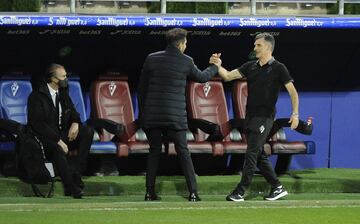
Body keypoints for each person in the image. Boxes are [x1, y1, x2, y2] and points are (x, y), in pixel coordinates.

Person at [138, 28, 221, 202]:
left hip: (152, 116)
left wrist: (144, 115)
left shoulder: (151, 58)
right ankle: (193, 193)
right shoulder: (186, 61)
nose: (186, 46)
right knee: (183, 152)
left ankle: (149, 193)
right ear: (181, 44)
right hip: (175, 117)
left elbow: (142, 90)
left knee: (154, 152)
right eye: (185, 43)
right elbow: (202, 77)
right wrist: (215, 66)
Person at [214, 32, 299, 201]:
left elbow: (293, 92)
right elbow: (228, 76)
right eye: (255, 45)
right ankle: (277, 187)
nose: (254, 48)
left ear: (267, 47)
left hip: (265, 118)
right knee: (258, 154)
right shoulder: (250, 66)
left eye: (258, 45)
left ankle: (240, 191)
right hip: (250, 117)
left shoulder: (279, 68)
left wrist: (295, 113)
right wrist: (218, 65)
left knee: (251, 153)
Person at [27, 63, 94, 199]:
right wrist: (58, 140)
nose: (66, 79)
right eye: (63, 76)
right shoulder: (36, 96)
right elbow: (38, 125)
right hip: (44, 138)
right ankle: (70, 187)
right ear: (53, 79)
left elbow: (74, 112)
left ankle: (76, 173)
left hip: (61, 134)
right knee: (57, 148)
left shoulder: (63, 93)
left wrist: (75, 123)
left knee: (87, 131)